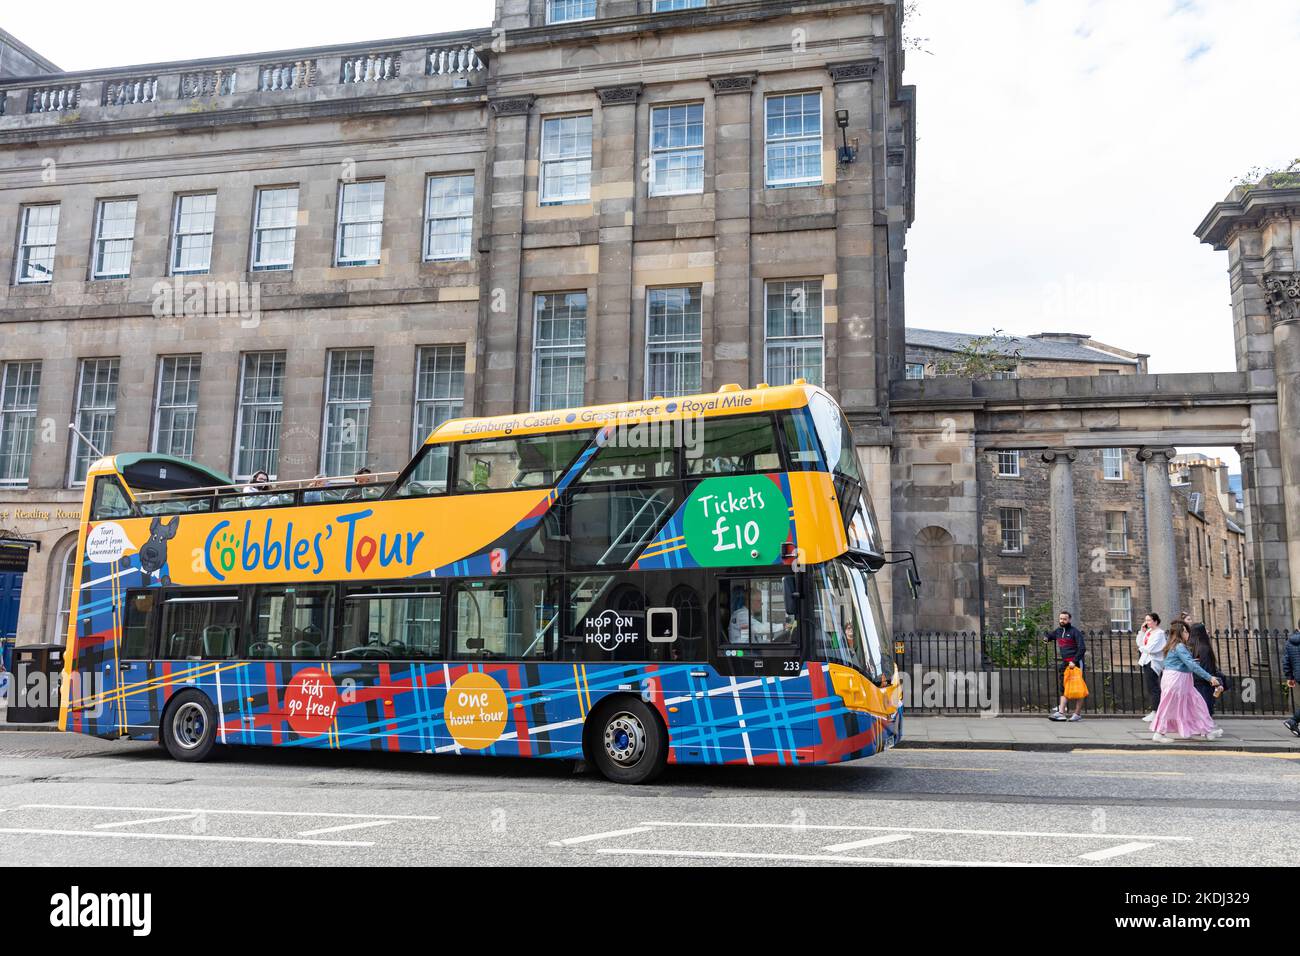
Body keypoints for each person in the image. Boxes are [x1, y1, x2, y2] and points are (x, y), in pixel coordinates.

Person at [1151, 620, 1222, 742]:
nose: (1187, 633)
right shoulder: (1179, 646)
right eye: (1185, 631)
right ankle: (1158, 734)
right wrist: (1210, 678)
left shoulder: (1173, 645)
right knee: (1168, 707)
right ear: (1180, 633)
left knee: (1197, 704)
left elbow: (1181, 662)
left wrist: (1193, 663)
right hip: (1177, 680)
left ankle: (1207, 731)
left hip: (1180, 680)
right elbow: (1190, 665)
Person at [1043, 610, 1087, 721]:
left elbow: (1082, 648)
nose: (1062, 621)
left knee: (1078, 688)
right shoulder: (1058, 631)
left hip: (1076, 663)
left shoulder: (1075, 632)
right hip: (1065, 663)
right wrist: (1046, 638)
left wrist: (1074, 661)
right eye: (1061, 619)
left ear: (1069, 620)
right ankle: (1061, 712)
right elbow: (1050, 635)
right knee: (1064, 687)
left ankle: (1077, 714)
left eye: (1065, 619)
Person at [1137, 612, 1167, 722]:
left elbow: (1150, 648)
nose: (1147, 622)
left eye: (1149, 620)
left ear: (1155, 621)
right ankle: (1155, 711)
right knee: (1150, 687)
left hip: (1153, 661)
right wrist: (1142, 632)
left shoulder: (1159, 633)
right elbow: (1139, 643)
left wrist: (1142, 648)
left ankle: (1156, 711)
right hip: (1146, 660)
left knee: (1154, 687)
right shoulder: (1149, 631)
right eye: (1146, 620)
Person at [1190, 623, 1224, 719]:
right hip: (1204, 682)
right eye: (1205, 629)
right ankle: (1206, 728)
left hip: (1194, 681)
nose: (1208, 631)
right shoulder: (1204, 648)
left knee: (1197, 707)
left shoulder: (1190, 647)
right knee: (1205, 706)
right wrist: (1215, 681)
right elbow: (1207, 667)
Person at [1283, 624, 1300, 738]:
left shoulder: (1290, 642)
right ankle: (1293, 721)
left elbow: (1286, 660)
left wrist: (1289, 677)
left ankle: (1293, 721)